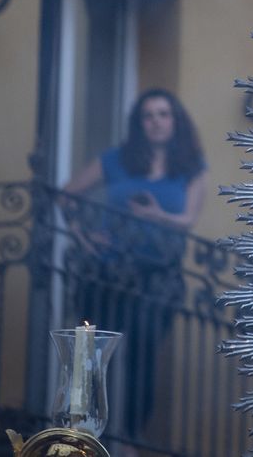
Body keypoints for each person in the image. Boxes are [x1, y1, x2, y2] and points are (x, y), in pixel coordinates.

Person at [63, 88, 206, 452]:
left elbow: (187, 219)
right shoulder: (117, 160)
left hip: (158, 277)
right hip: (108, 271)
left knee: (143, 358)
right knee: (93, 355)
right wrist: (82, 234)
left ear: (175, 121)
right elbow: (67, 194)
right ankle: (83, 436)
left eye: (163, 114)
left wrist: (157, 215)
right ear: (139, 123)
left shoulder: (190, 167)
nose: (156, 122)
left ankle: (128, 440)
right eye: (148, 115)